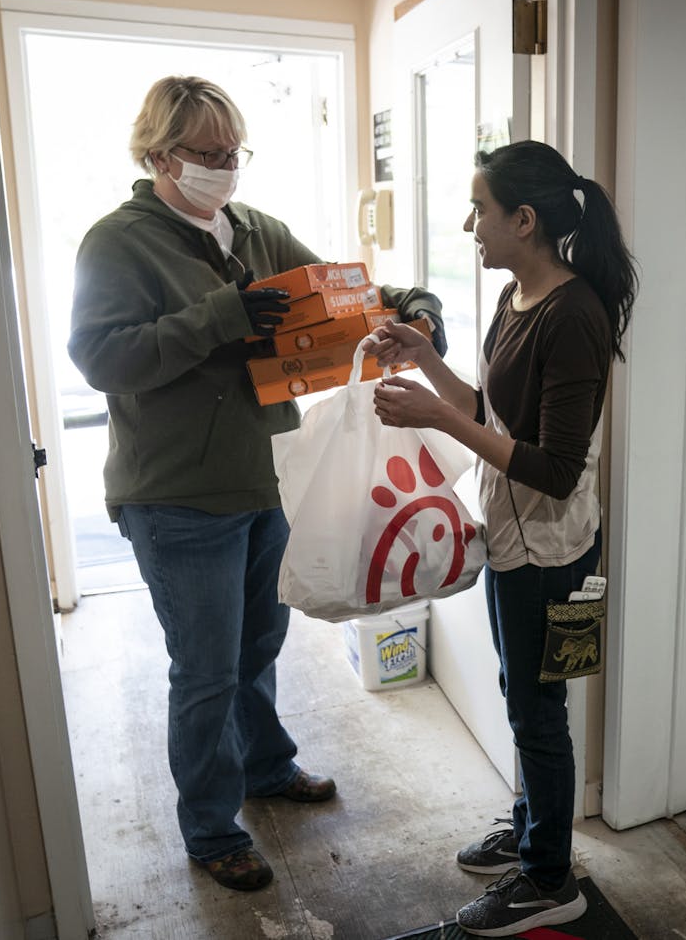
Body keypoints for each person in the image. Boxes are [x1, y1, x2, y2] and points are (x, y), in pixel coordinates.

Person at [68, 76, 442, 892]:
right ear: (161, 155)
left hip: (263, 482)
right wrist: (220, 319)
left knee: (258, 647)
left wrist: (408, 301)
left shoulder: (256, 231)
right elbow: (101, 357)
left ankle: (267, 765)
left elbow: (341, 293)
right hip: (175, 497)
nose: (225, 166)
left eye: (234, 151)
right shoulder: (118, 243)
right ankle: (209, 827)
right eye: (208, 153)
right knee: (204, 669)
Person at [364, 139, 636, 936]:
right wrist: (426, 366)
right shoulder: (515, 295)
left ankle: (550, 877)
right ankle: (530, 831)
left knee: (537, 712)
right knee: (525, 698)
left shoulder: (575, 313)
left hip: (551, 551)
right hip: (511, 541)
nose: (469, 224)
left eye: (479, 209)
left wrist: (437, 417)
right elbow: (494, 413)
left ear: (524, 219)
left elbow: (554, 467)